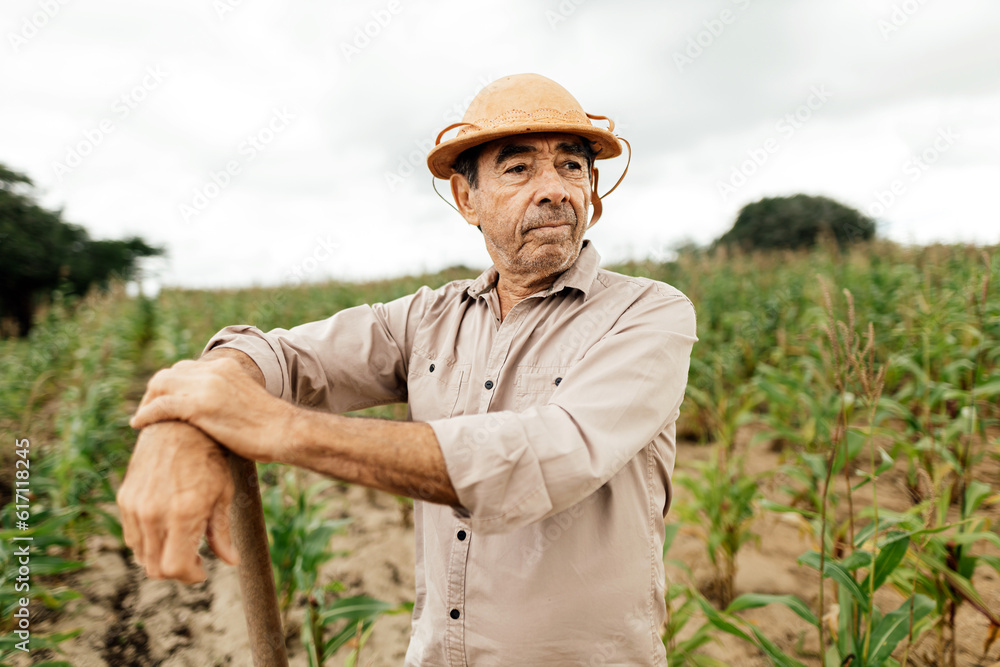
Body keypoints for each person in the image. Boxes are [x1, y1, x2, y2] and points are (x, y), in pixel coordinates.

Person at [117, 73, 697, 666]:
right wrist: (178, 424)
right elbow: (279, 357)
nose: (554, 189)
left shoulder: (649, 314)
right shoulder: (428, 318)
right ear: (467, 198)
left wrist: (274, 428)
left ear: (594, 190)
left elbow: (547, 456)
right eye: (519, 169)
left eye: (571, 167)